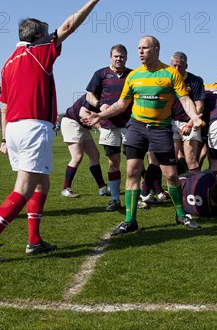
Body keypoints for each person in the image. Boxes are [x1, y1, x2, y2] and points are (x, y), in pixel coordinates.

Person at [0, 0, 108, 264]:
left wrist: (6, 137)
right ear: (37, 36)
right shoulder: (38, 52)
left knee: (42, 184)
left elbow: (5, 105)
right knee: (24, 187)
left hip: (17, 130)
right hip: (34, 127)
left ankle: (34, 241)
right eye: (47, 33)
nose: (51, 36)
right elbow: (70, 26)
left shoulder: (8, 62)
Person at [82, 35, 203, 235]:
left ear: (156, 49)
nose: (140, 52)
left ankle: (181, 214)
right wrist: (100, 115)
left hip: (161, 128)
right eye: (138, 48)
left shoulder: (171, 73)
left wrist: (194, 117)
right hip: (136, 127)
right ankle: (130, 220)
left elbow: (185, 99)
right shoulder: (133, 76)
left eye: (145, 48)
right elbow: (122, 104)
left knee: (171, 175)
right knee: (132, 171)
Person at [85, 44, 133, 211]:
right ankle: (114, 199)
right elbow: (89, 94)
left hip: (130, 124)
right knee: (114, 162)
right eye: (116, 56)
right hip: (109, 125)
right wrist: (100, 105)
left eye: (122, 56)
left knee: (134, 162)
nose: (119, 58)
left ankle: (138, 195)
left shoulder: (133, 75)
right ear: (110, 57)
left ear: (126, 57)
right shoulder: (101, 73)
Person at [59, 94, 109, 200]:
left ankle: (102, 188)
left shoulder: (105, 95)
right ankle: (66, 189)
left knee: (94, 155)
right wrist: (100, 129)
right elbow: (83, 113)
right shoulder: (94, 95)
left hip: (82, 125)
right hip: (71, 121)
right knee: (77, 156)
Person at [170, 51, 205, 173]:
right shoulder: (167, 79)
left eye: (180, 65)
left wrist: (190, 123)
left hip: (190, 122)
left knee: (190, 159)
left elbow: (199, 105)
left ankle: (194, 189)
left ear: (186, 66)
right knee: (170, 159)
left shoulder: (195, 81)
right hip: (171, 122)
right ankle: (177, 189)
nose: (177, 68)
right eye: (174, 65)